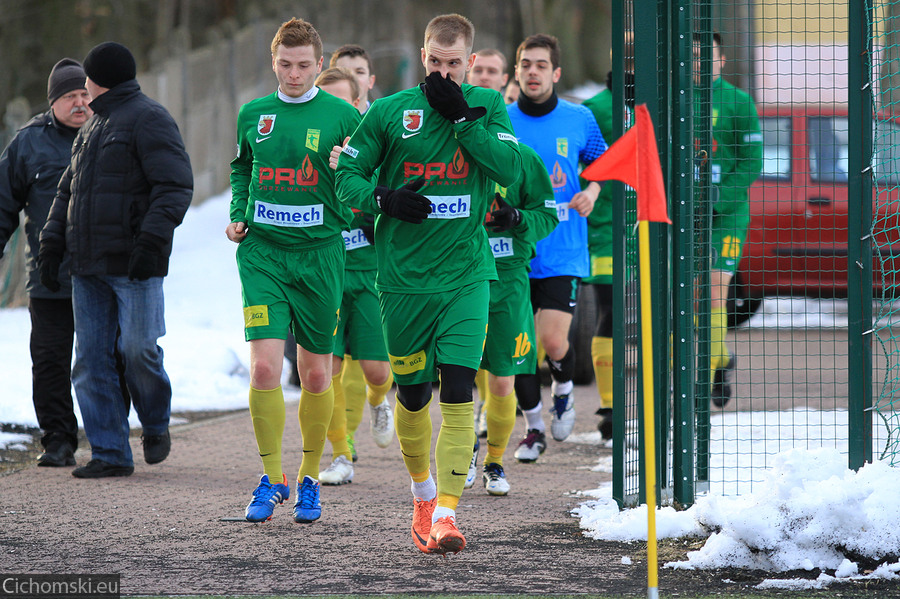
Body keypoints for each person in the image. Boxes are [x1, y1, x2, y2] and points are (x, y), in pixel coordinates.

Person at [336, 13, 522, 554]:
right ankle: (421, 496)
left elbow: (508, 167)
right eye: (436, 63)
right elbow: (345, 176)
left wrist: (463, 119)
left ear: (470, 61)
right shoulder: (392, 113)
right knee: (414, 396)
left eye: (455, 63)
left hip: (467, 274)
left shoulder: (485, 106)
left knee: (460, 388)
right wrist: (383, 199)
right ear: (423, 57)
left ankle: (446, 512)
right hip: (401, 282)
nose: (445, 73)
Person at [227, 18, 361, 523]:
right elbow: (242, 166)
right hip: (263, 253)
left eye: (304, 65)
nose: (294, 74)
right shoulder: (253, 113)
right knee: (264, 367)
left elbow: (364, 181)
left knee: (315, 372)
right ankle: (271, 478)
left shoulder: (343, 116)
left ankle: (308, 480)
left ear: (320, 65)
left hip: (321, 256)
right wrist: (240, 211)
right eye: (285, 64)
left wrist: (341, 175)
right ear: (274, 61)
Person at [39, 42, 193, 478]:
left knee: (138, 350)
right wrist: (53, 243)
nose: (83, 91)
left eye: (87, 81)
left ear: (98, 79)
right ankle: (109, 452)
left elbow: (175, 185)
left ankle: (156, 422)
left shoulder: (150, 118)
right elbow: (67, 192)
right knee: (90, 360)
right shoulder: (91, 128)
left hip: (135, 266)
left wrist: (151, 241)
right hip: (87, 268)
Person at [0, 59, 110, 467]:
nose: (80, 103)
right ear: (54, 102)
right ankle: (58, 440)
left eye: (85, 94)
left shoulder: (111, 129)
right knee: (49, 360)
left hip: (104, 273)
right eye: (70, 96)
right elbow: (3, 204)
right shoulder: (28, 143)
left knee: (107, 358)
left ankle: (108, 438)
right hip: (49, 274)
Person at [506, 34, 607, 460]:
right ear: (517, 71)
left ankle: (562, 389)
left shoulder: (578, 117)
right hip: (511, 246)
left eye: (541, 65)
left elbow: (602, 162)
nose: (533, 71)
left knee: (551, 341)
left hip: (563, 246)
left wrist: (593, 191)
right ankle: (533, 429)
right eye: (526, 64)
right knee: (518, 345)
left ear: (556, 73)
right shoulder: (502, 119)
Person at [463, 49, 557, 495]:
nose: (483, 78)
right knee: (458, 376)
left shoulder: (522, 156)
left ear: (507, 84)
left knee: (503, 379)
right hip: (457, 278)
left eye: (492, 74)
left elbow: (548, 212)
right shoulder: (443, 150)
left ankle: (495, 463)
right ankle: (462, 450)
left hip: (509, 283)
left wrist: (519, 219)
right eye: (476, 71)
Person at [311, 67, 394, 487]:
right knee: (326, 369)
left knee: (378, 371)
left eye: (343, 102)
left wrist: (363, 196)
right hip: (325, 274)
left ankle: (381, 401)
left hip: (369, 277)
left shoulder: (375, 144)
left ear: (360, 103)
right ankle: (341, 455)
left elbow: (392, 198)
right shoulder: (308, 144)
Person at [692, 32, 763, 406]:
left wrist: (719, 201)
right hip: (685, 217)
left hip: (726, 215)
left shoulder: (738, 101)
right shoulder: (677, 99)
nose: (699, 63)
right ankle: (718, 361)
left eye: (707, 56)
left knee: (716, 288)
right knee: (691, 295)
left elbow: (753, 162)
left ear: (722, 61)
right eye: (693, 57)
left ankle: (706, 377)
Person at [581, 33, 636, 440]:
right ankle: (611, 408)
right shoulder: (594, 110)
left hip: (653, 225)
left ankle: (662, 406)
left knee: (665, 317)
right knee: (611, 312)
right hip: (605, 227)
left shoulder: (667, 106)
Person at [329, 44, 376, 115]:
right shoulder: (319, 117)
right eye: (343, 72)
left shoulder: (381, 121)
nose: (352, 78)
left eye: (359, 72)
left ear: (371, 81)